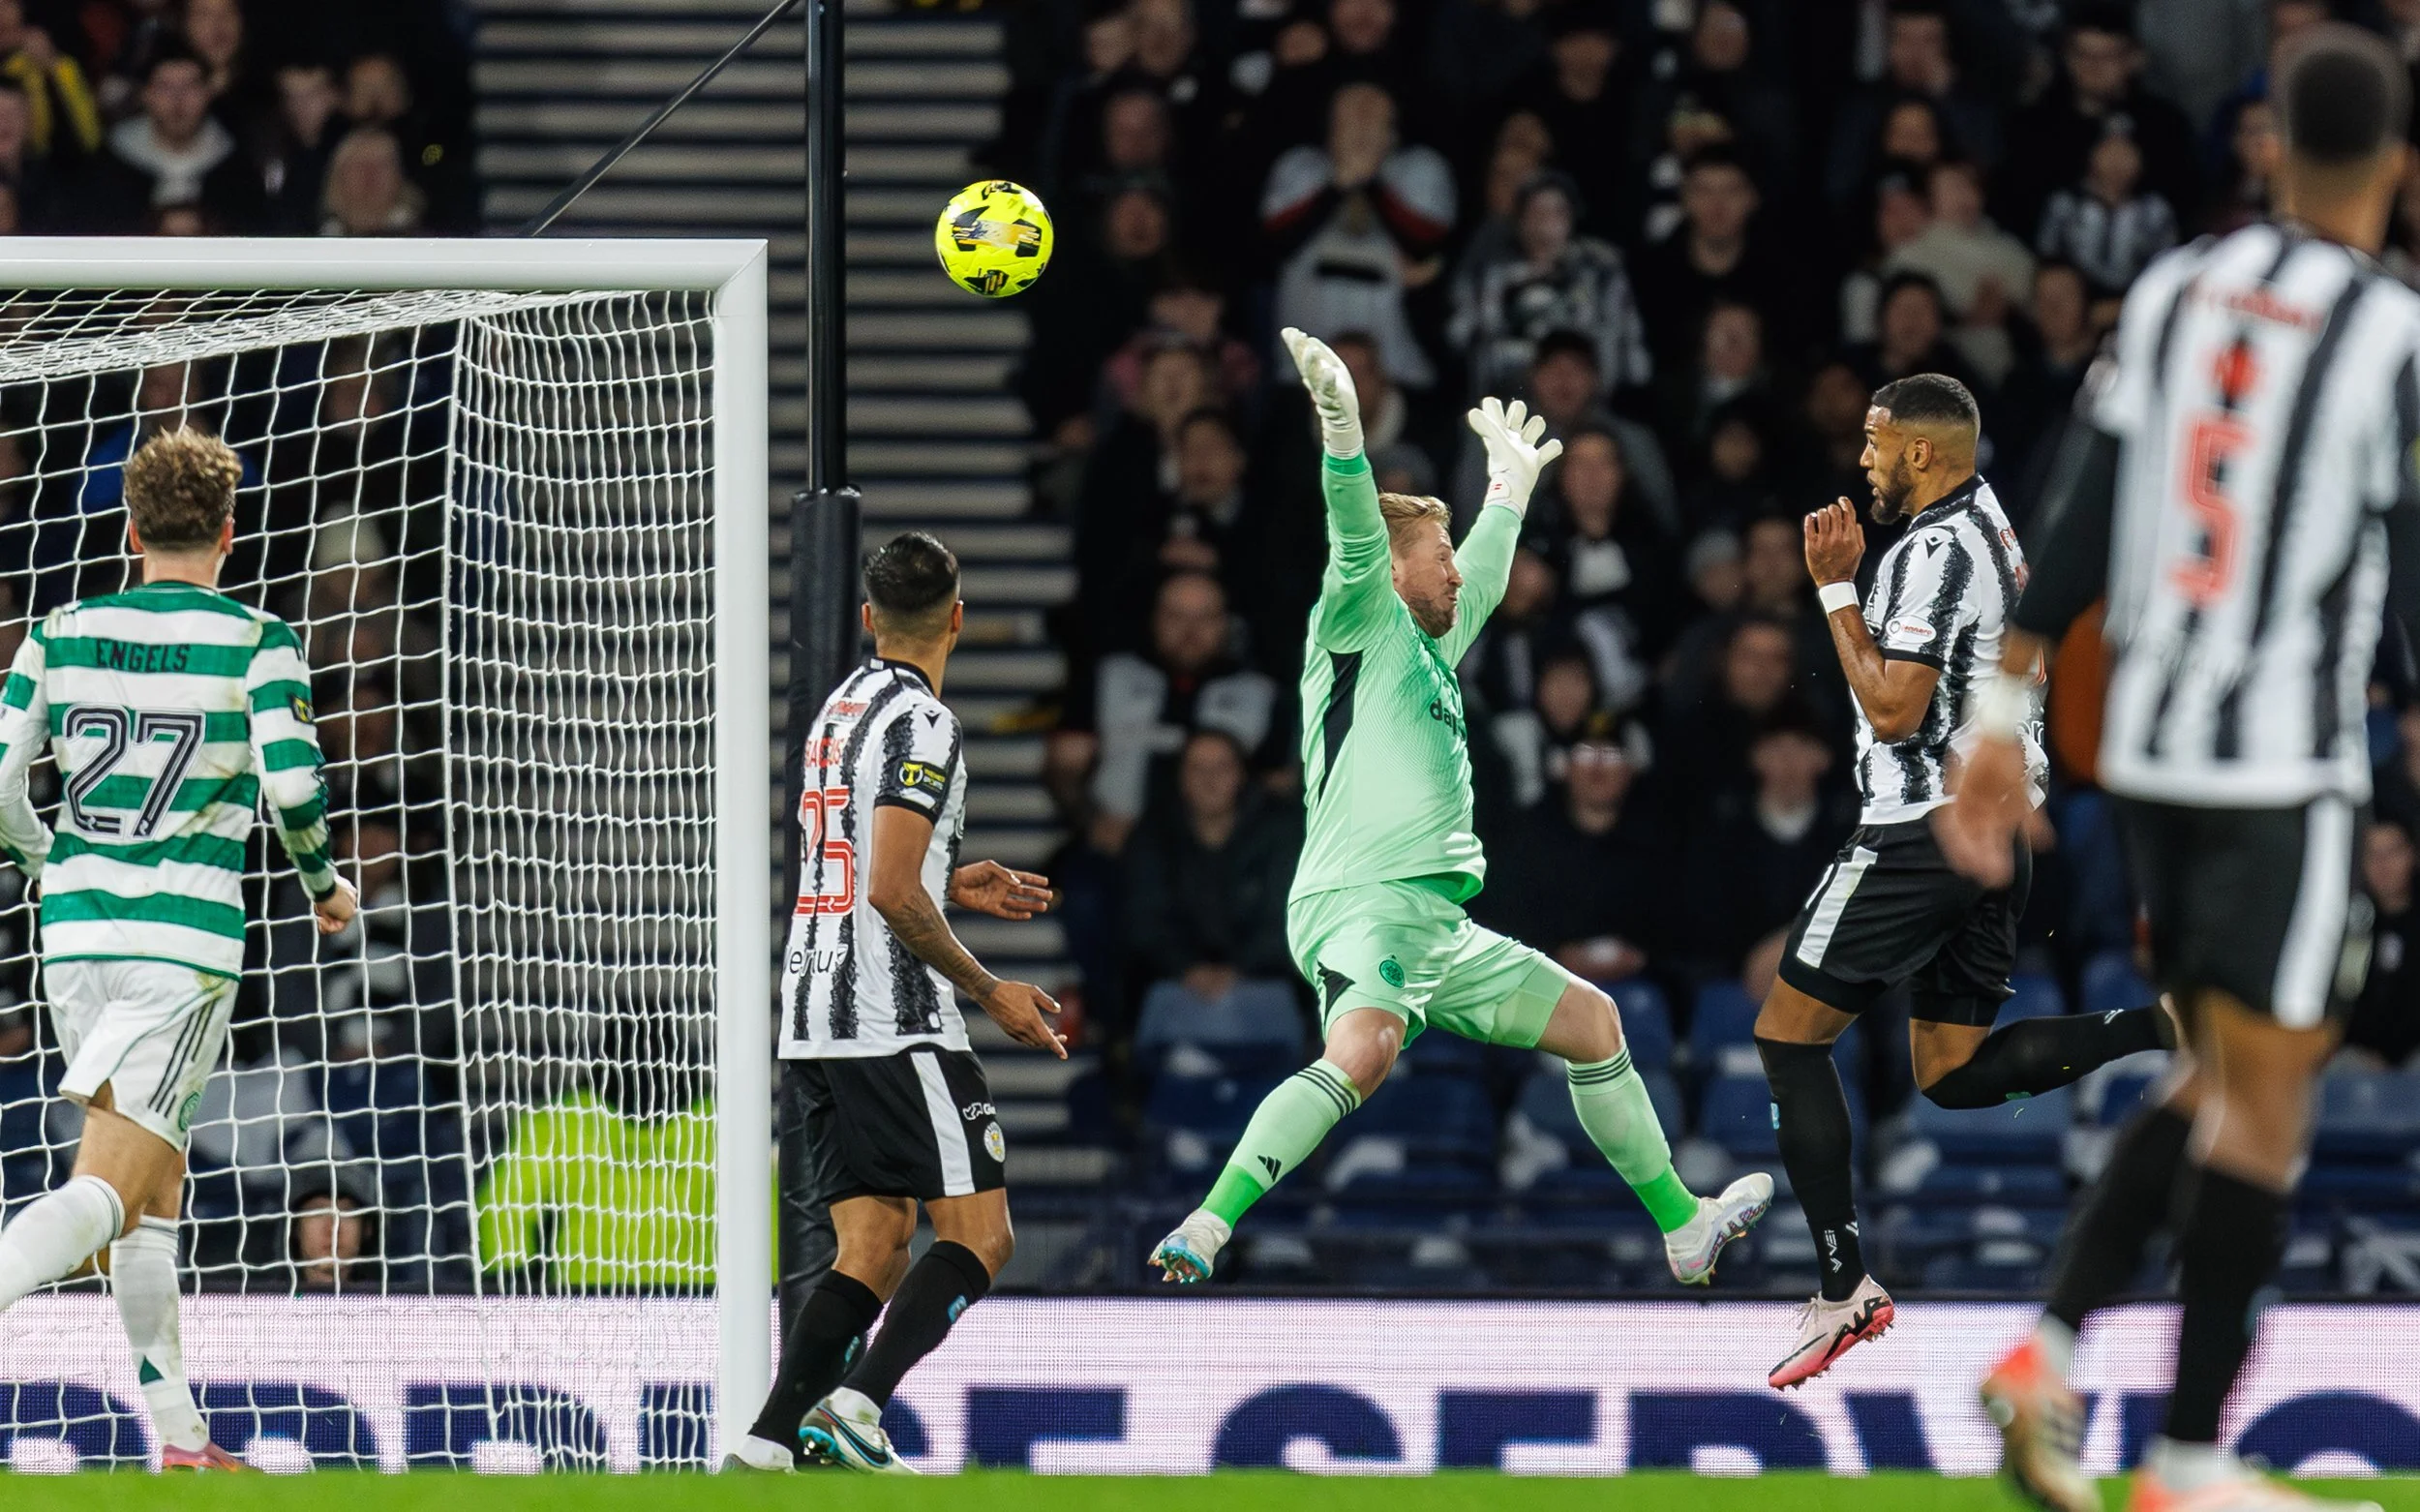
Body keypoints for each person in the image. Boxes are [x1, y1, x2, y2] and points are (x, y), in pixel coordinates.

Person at [1943, 27, 2420, 1512]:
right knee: (2273, 1099)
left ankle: (2053, 1350)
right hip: (2281, 759)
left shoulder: (2171, 287)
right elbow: (2409, 567)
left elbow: (2075, 512)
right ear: (2396, 170)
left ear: (2269, 145)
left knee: (2226, 1070)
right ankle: (2189, 1456)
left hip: (2143, 749)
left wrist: (1996, 720)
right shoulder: (2390, 330)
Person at [1146, 330, 1771, 1285]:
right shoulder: (1356, 620)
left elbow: (1481, 568)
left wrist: (1511, 488)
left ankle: (1682, 1223)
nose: (1454, 573)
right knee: (1364, 1052)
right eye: (1434, 557)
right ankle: (1209, 1219)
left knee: (1595, 1024)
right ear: (1395, 571)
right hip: (1362, 896)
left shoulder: (1435, 646)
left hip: (1435, 918)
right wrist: (1344, 430)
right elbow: (1356, 527)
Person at [1755, 376, 2172, 1390]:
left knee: (1784, 1036)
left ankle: (1841, 1281)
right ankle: (2163, 1024)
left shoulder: (1936, 553)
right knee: (1948, 1068)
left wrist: (1835, 591)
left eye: (1875, 441)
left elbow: (1895, 711)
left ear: (1923, 454)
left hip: (1920, 832)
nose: (1863, 459)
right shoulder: (1987, 522)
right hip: (1991, 836)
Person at [0, 426, 357, 1469]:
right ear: (230, 533)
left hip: (71, 928)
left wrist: (42, 855)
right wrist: (324, 884)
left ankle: (181, 1438)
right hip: (180, 940)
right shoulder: (255, 639)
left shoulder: (59, 628)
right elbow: (292, 787)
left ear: (128, 528)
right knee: (110, 1185)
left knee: (153, 1189)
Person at [733, 532, 1063, 1475]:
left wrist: (952, 879)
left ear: (870, 618)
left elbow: (858, 859)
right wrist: (991, 985)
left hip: (809, 1014)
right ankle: (858, 1406)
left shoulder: (837, 707)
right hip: (893, 1016)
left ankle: (765, 1443)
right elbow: (885, 885)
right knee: (982, 1233)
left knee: (873, 1243)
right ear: (957, 617)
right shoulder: (925, 724)